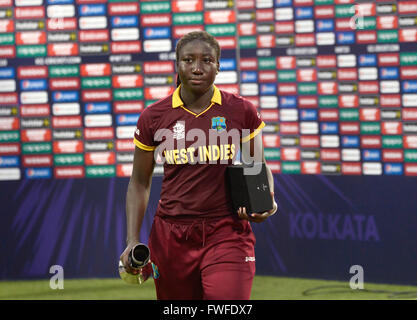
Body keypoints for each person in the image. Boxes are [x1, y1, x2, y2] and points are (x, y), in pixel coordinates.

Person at [120, 31, 277, 300]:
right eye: (188, 60)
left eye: (206, 60)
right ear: (177, 65)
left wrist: (266, 202)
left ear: (218, 66)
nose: (196, 67)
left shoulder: (241, 110)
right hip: (171, 236)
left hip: (227, 231)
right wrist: (132, 240)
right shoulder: (153, 116)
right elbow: (139, 182)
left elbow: (256, 167)